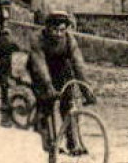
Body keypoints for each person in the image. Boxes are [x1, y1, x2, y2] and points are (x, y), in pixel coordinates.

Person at [24, 10, 94, 155]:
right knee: (46, 103)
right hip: (39, 69)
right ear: (47, 28)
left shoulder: (69, 40)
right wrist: (48, 86)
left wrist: (86, 89)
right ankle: (48, 142)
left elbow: (78, 63)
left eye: (62, 30)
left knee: (68, 103)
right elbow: (39, 65)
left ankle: (73, 142)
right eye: (55, 30)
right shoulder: (37, 38)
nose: (58, 34)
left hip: (59, 67)